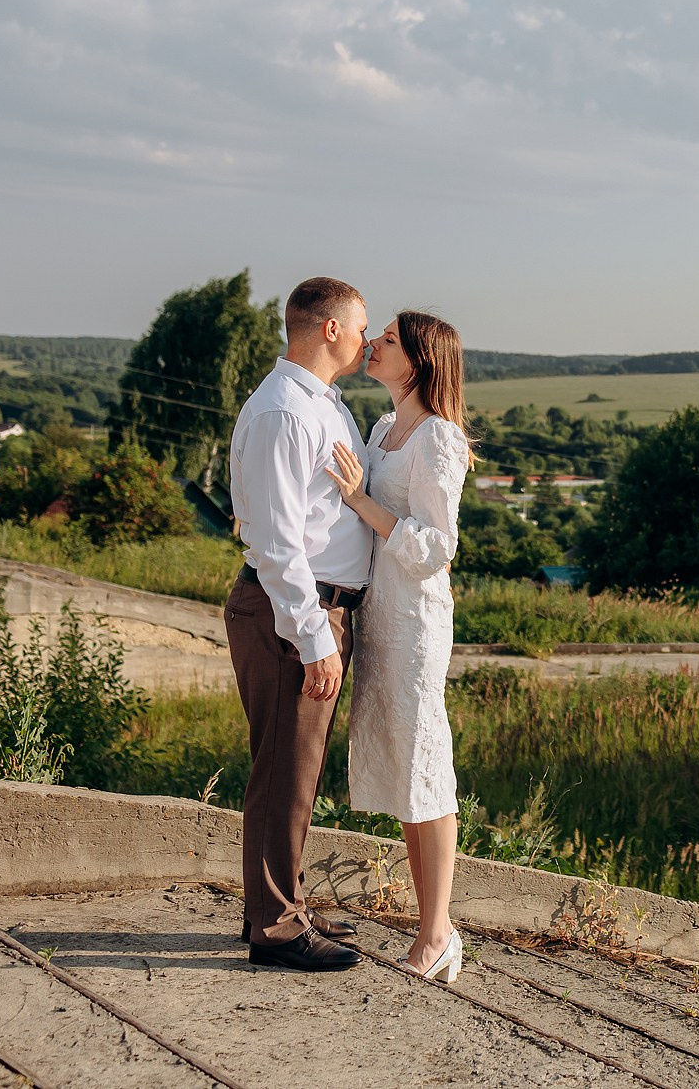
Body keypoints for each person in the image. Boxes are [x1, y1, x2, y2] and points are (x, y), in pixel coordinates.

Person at [225, 277, 371, 971]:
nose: (370, 340)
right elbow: (281, 544)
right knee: (285, 771)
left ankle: (277, 909)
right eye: (363, 327)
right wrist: (314, 637)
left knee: (292, 770)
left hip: (312, 607)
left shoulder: (322, 404)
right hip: (293, 611)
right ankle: (277, 928)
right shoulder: (288, 411)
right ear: (331, 328)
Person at [325, 310, 472, 982]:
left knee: (426, 765)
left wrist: (360, 502)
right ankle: (432, 927)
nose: (372, 345)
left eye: (385, 339)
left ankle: (438, 933)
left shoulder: (439, 438)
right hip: (379, 614)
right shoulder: (385, 429)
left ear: (414, 361)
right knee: (406, 774)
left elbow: (437, 548)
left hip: (414, 620)